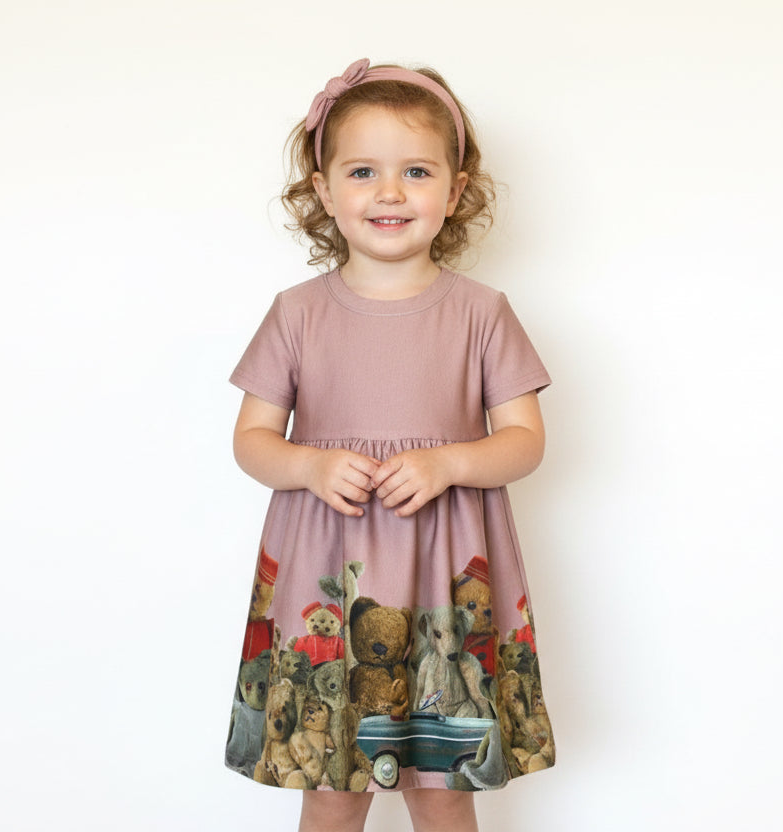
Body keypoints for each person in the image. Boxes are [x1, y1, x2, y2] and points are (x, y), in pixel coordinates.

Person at [224, 58, 555, 832]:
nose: (390, 192)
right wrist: (308, 463)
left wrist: (450, 461)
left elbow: (525, 441)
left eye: (416, 170)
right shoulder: (297, 314)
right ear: (322, 190)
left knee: (442, 792)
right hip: (329, 588)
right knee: (333, 789)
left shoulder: (482, 312)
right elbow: (251, 441)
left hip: (443, 583)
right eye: (363, 170)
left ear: (457, 189)